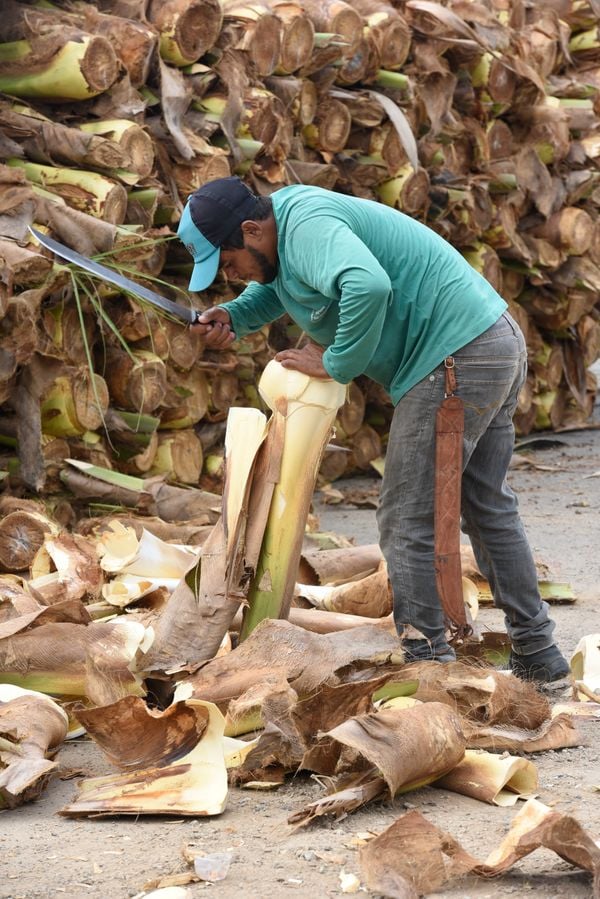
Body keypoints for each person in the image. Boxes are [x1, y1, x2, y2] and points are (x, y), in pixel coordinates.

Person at [177, 175, 570, 683]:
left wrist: (337, 362)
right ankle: (540, 657)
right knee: (485, 507)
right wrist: (233, 315)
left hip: (452, 359)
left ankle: (428, 666)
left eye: (230, 264)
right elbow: (283, 287)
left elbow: (367, 284)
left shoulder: (309, 226)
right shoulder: (289, 234)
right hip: (487, 342)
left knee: (405, 518)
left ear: (252, 229)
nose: (231, 276)